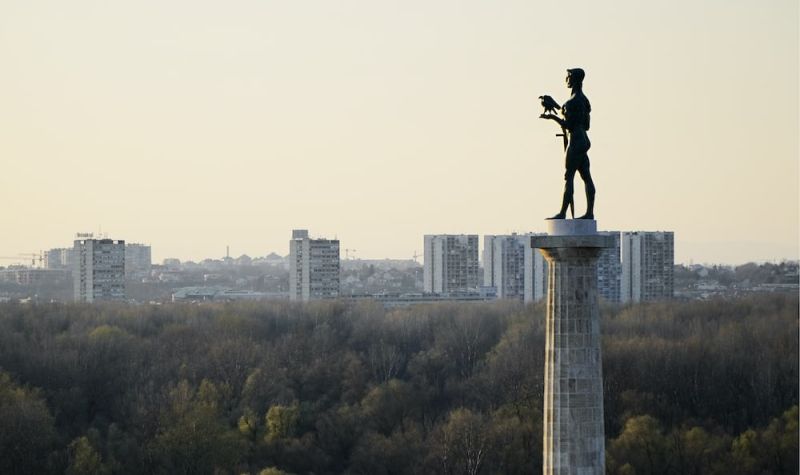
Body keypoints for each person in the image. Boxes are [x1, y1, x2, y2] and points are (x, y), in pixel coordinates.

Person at [540, 68, 596, 220]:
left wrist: (552, 118)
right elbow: (587, 125)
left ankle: (563, 213)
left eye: (568, 77)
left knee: (569, 176)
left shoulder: (572, 102)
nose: (566, 80)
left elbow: (568, 125)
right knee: (586, 176)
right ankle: (589, 212)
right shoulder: (584, 100)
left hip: (575, 140)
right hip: (583, 139)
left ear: (575, 79)